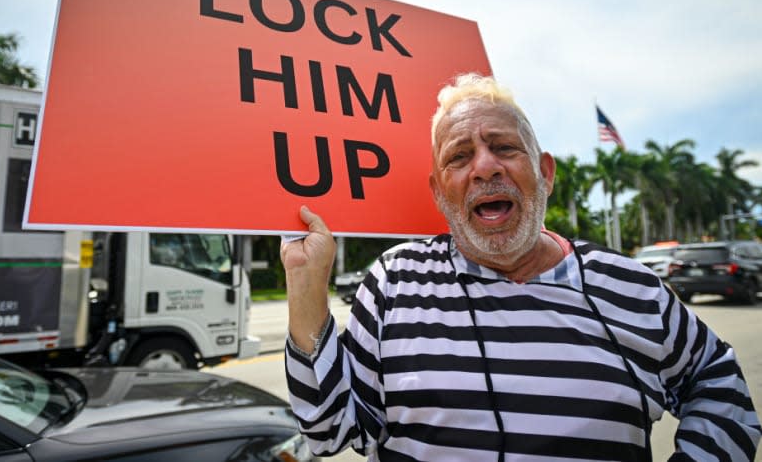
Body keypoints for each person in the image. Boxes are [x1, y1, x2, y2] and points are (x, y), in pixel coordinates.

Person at [281, 73, 760, 461]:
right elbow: (328, 431)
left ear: (545, 173)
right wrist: (305, 286)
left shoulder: (633, 286)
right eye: (460, 156)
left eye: (504, 148)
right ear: (438, 191)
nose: (485, 167)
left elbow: (718, 381)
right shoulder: (394, 280)